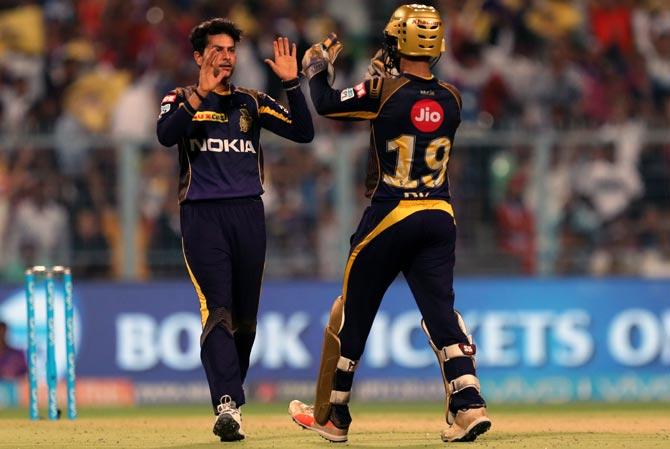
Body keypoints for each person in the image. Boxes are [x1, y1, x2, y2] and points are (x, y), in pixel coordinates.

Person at [288, 4, 491, 443]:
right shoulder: (452, 100)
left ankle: (334, 417)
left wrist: (317, 68)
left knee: (352, 314)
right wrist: (389, 78)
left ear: (398, 41)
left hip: (390, 213)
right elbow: (417, 105)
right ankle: (469, 406)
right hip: (439, 214)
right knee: (441, 315)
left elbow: (325, 104)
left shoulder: (384, 91)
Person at [156, 18, 314, 442]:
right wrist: (201, 94)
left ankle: (232, 403)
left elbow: (304, 132)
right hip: (202, 216)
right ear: (197, 56)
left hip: (248, 214)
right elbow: (165, 135)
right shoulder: (180, 98)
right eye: (217, 49)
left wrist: (292, 83)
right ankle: (226, 403)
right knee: (218, 310)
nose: (226, 57)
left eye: (231, 50)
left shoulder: (252, 102)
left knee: (245, 321)